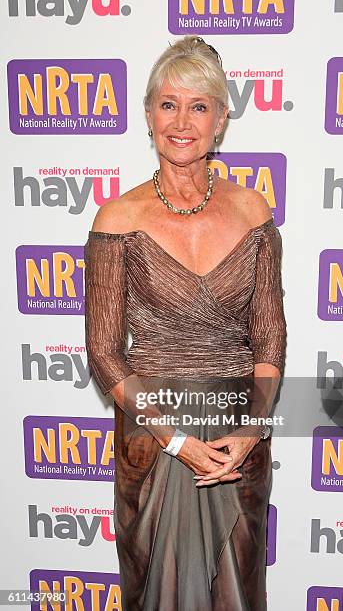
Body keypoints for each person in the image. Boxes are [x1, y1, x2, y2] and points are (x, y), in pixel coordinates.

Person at [84, 36, 287, 611]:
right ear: (148, 114)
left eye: (199, 106)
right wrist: (176, 439)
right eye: (167, 104)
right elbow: (103, 352)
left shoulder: (253, 211)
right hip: (153, 439)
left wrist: (251, 431)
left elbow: (270, 335)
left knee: (238, 590)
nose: (181, 121)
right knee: (155, 590)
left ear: (221, 119)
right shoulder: (117, 218)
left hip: (235, 440)